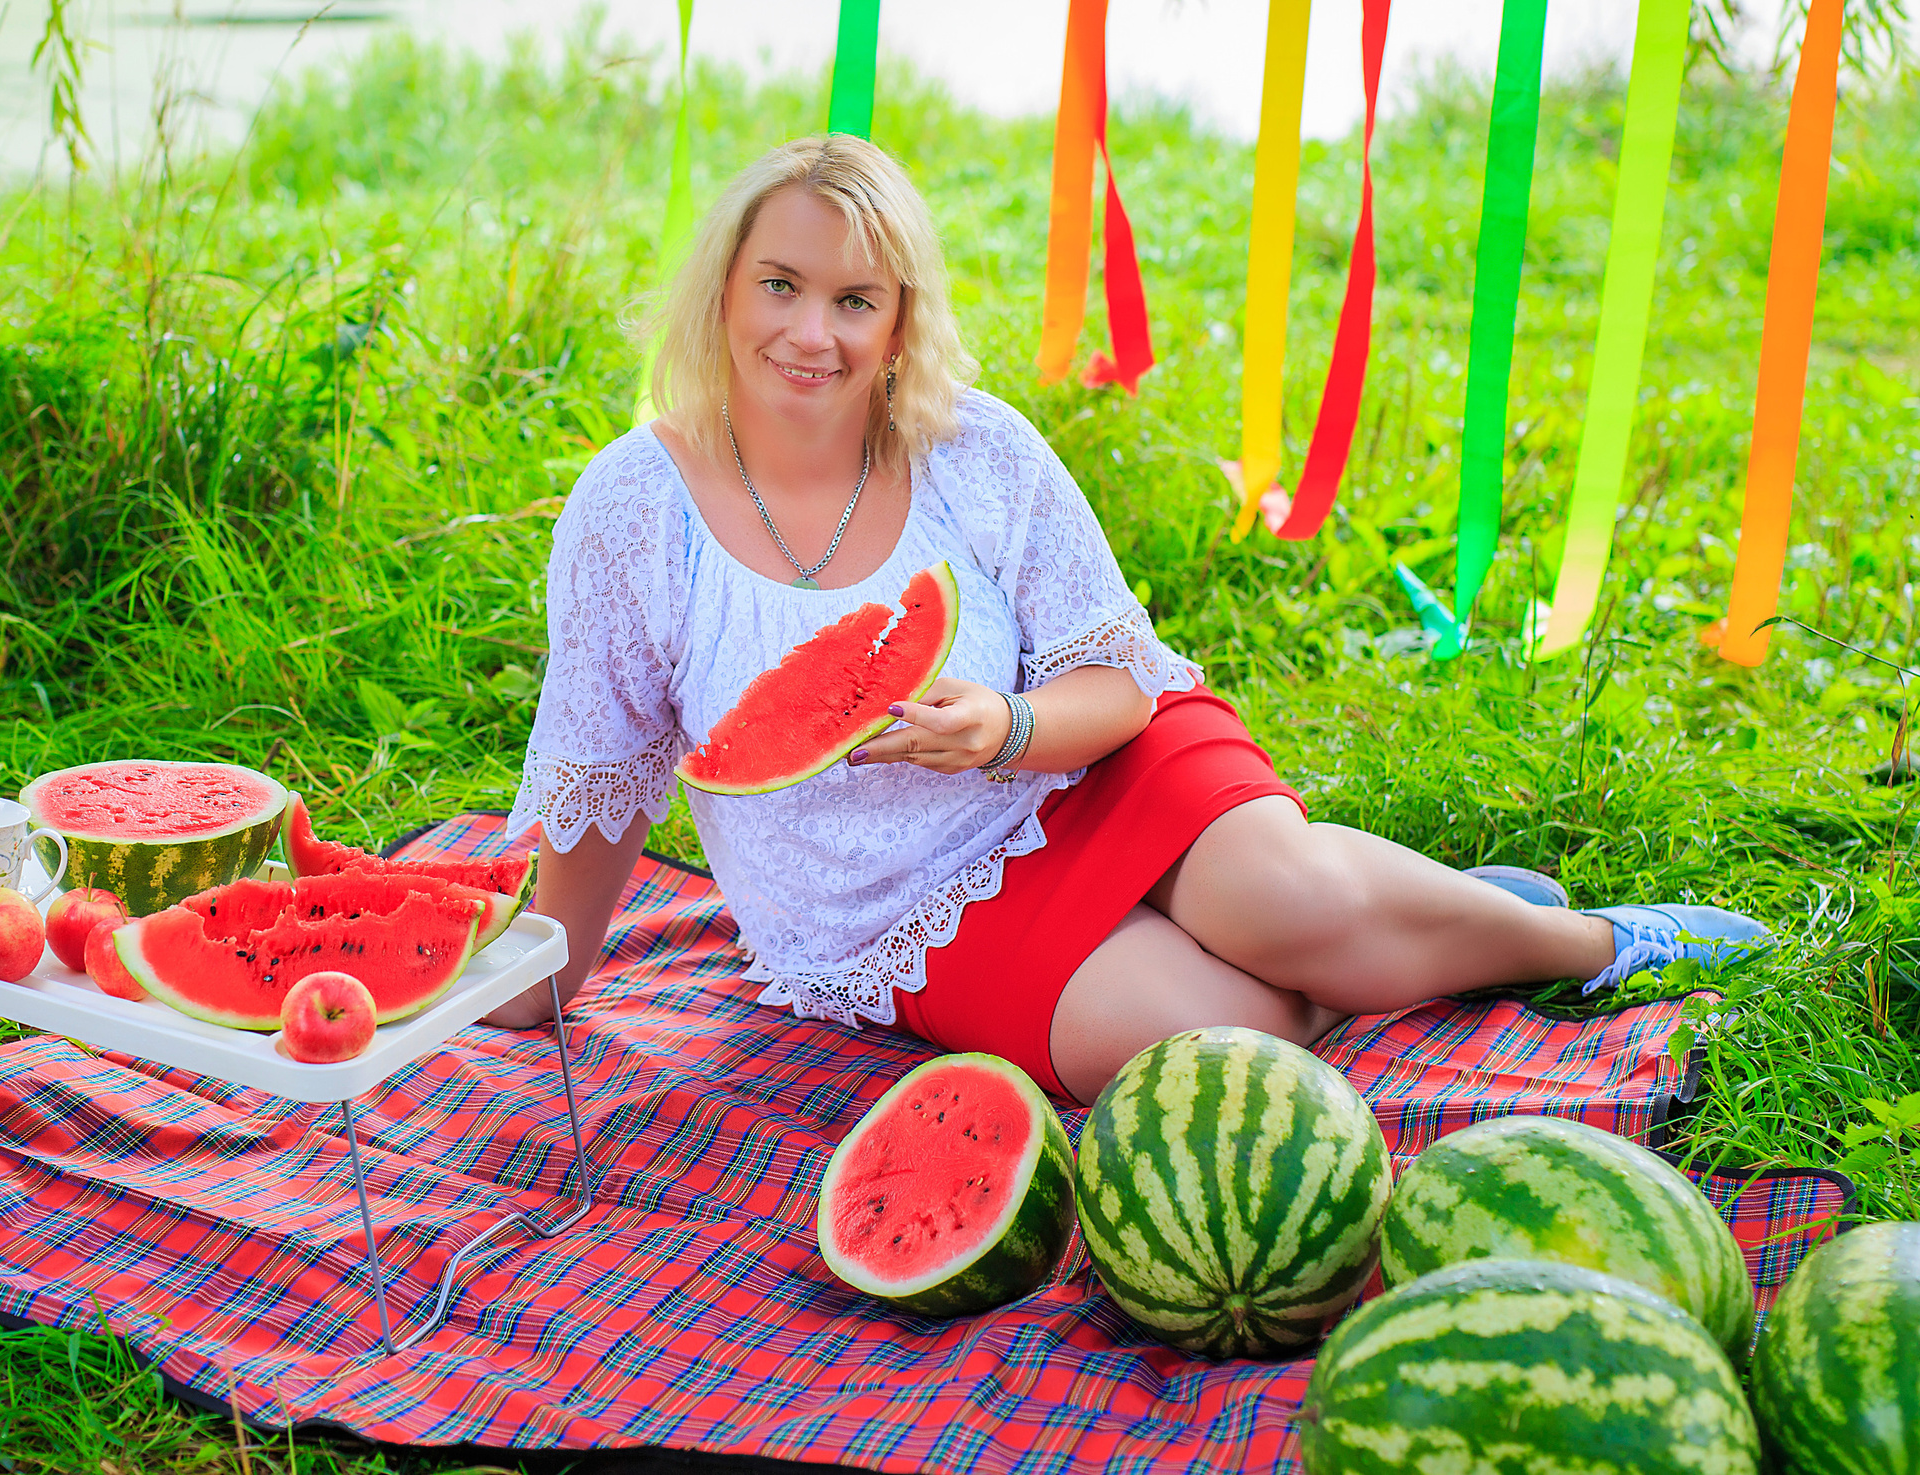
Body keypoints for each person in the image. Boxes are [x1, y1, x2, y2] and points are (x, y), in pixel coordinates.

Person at [486, 135, 1767, 1103]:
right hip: (893, 908)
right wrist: (530, 979)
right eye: (781, 285)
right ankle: (1411, 930)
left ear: (897, 323)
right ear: (724, 289)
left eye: (854, 301)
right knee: (1228, 1043)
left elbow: (1117, 683)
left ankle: (1585, 940)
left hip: (1091, 759)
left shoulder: (973, 450)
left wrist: (1003, 725)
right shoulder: (630, 507)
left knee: (1288, 899)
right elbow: (605, 773)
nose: (810, 333)